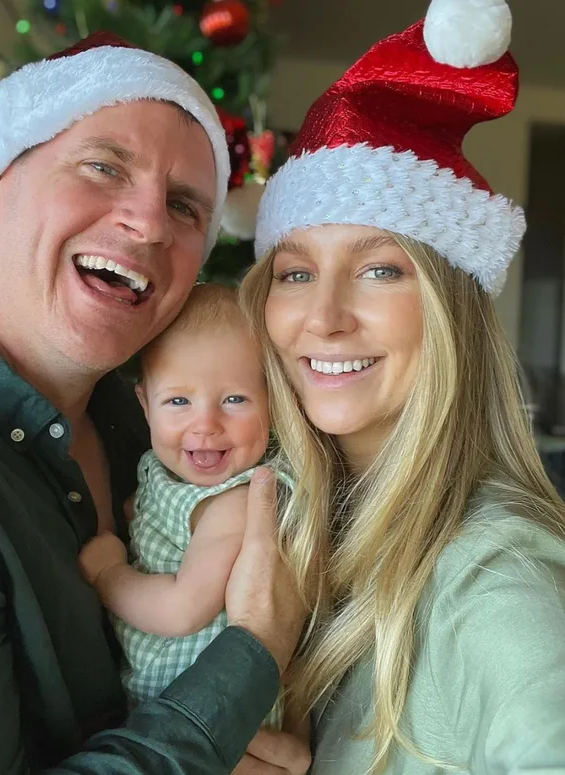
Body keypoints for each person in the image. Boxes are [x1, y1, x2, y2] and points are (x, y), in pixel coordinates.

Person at [0, 31, 309, 775]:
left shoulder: (159, 428)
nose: (151, 223)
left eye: (186, 206)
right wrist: (256, 648)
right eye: (103, 166)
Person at [239, 0, 565, 773]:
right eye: (295, 273)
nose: (324, 318)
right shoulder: (285, 518)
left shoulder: (495, 579)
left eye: (381, 269)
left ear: (452, 313)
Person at [79, 283, 292, 730]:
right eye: (178, 401)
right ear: (145, 405)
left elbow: (182, 610)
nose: (206, 424)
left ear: (273, 401)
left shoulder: (236, 503)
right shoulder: (162, 467)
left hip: (206, 708)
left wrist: (108, 575)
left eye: (234, 399)